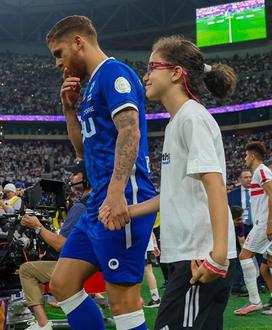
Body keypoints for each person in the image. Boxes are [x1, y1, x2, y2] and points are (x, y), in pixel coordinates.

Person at [100, 35, 238, 329]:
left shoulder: (192, 118)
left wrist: (219, 256)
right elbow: (174, 194)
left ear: (176, 73)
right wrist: (128, 211)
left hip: (200, 257)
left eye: (152, 67)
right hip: (189, 255)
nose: (145, 75)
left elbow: (215, 185)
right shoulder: (178, 122)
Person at [46, 15, 157, 330]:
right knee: (62, 283)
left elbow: (130, 131)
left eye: (59, 53)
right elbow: (82, 151)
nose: (57, 63)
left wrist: (115, 194)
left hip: (122, 199)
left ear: (78, 42)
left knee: (123, 303)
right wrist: (69, 108)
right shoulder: (91, 85)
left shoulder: (113, 73)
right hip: (98, 203)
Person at [19, 160, 90, 330]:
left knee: (26, 269)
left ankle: (43, 324)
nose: (71, 177)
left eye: (75, 174)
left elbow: (61, 245)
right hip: (96, 264)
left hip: (80, 266)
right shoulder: (99, 200)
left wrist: (37, 226)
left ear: (87, 177)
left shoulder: (80, 207)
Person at [234, 141, 272, 316]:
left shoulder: (261, 171)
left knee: (244, 255)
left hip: (267, 223)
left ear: (252, 156)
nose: (244, 158)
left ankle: (254, 301)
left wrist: (268, 224)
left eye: (245, 155)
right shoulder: (261, 172)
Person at [142, 232, 161, 308]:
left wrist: (155, 245)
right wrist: (155, 244)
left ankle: (155, 299)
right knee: (148, 271)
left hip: (143, 246)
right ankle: (156, 298)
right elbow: (151, 229)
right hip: (147, 246)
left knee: (147, 271)